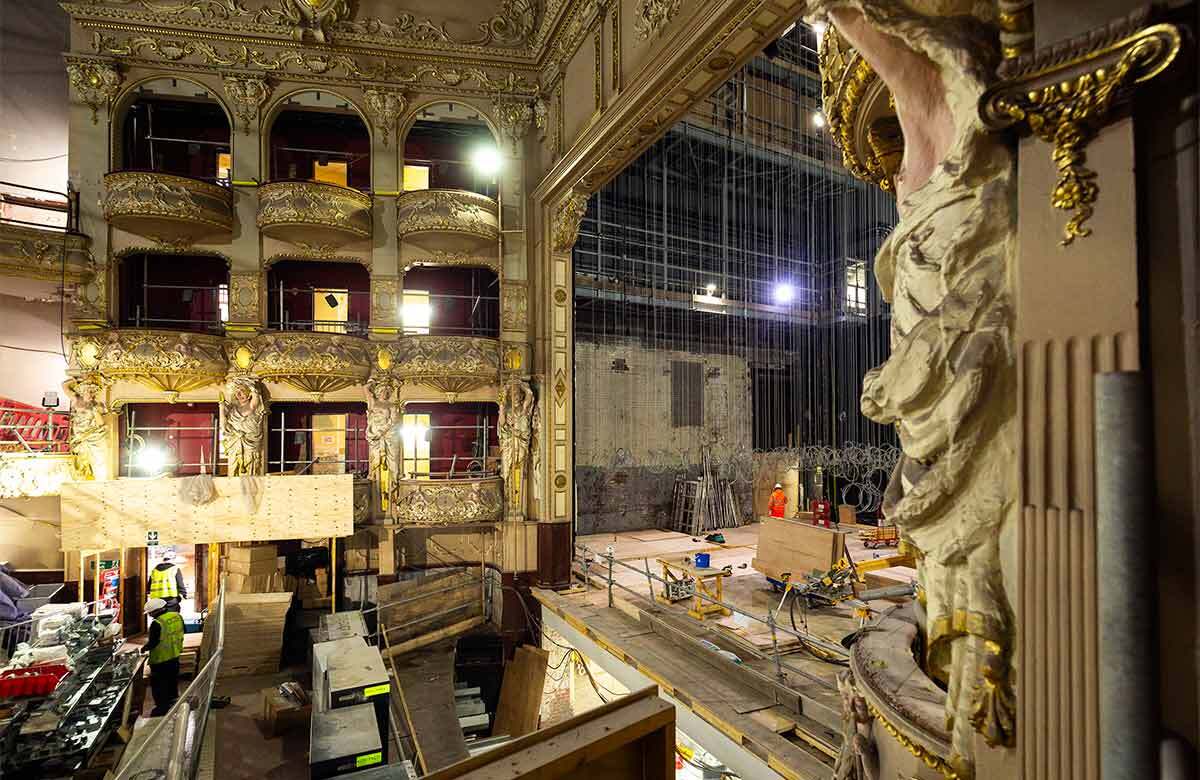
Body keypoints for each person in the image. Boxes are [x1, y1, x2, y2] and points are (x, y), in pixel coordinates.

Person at [144, 597, 184, 716]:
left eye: (150, 612)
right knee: (172, 681)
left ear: (156, 610)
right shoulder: (177, 616)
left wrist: (143, 649)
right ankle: (173, 702)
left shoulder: (157, 623)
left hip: (160, 660)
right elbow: (182, 631)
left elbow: (153, 643)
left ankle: (161, 709)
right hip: (175, 655)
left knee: (159, 686)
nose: (150, 615)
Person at [147, 548, 187, 613]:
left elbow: (149, 587)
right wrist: (183, 594)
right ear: (173, 559)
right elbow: (180, 584)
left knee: (159, 618)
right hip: (171, 600)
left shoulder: (154, 570)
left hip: (156, 601)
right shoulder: (175, 569)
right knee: (172, 618)